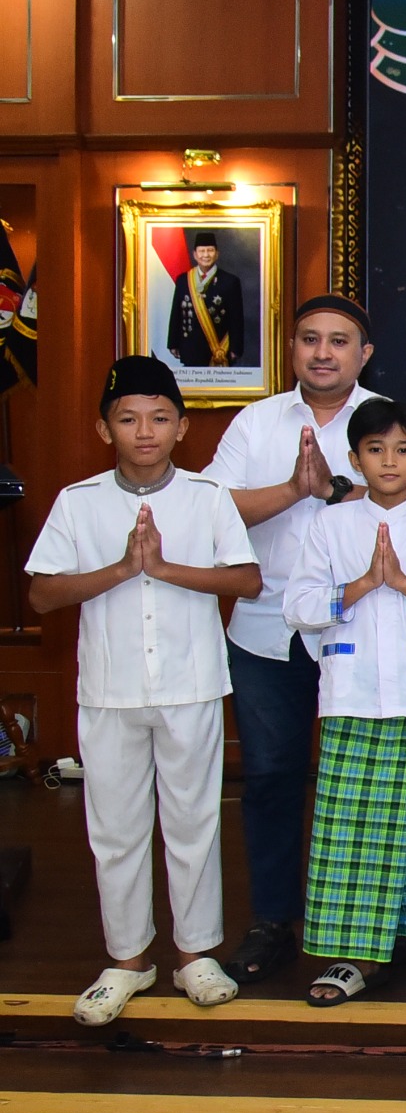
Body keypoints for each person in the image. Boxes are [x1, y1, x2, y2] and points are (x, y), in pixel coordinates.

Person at [203, 294, 406, 985]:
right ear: (292, 348)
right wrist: (293, 490)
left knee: (374, 784)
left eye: (340, 341)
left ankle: (379, 926)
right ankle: (273, 921)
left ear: (364, 354)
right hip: (268, 628)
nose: (323, 352)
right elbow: (208, 509)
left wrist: (341, 493)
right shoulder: (256, 423)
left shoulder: (388, 418)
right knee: (271, 778)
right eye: (310, 339)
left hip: (367, 632)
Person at [27, 357, 260, 1025]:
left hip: (191, 686)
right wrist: (124, 569)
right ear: (105, 430)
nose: (145, 431)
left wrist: (162, 567)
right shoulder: (78, 501)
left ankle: (195, 955)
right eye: (128, 419)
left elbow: (245, 580)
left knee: (194, 825)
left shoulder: (207, 497)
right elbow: (42, 594)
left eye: (159, 418)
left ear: (182, 427)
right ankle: (128, 960)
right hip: (110, 690)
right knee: (116, 832)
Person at [282, 398, 406, 1006]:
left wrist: (405, 586)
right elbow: (298, 607)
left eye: (403, 450)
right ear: (355, 459)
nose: (389, 461)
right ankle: (357, 961)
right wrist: (362, 586)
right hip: (354, 703)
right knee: (353, 838)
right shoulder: (331, 526)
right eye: (376, 450)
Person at [166, 233, 247, 370]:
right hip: (190, 347)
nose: (206, 255)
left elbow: (236, 318)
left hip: (219, 348)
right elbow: (176, 313)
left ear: (217, 254)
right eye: (202, 251)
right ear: (195, 255)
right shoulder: (183, 280)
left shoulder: (230, 281)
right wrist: (173, 343)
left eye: (210, 250)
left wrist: (236, 348)